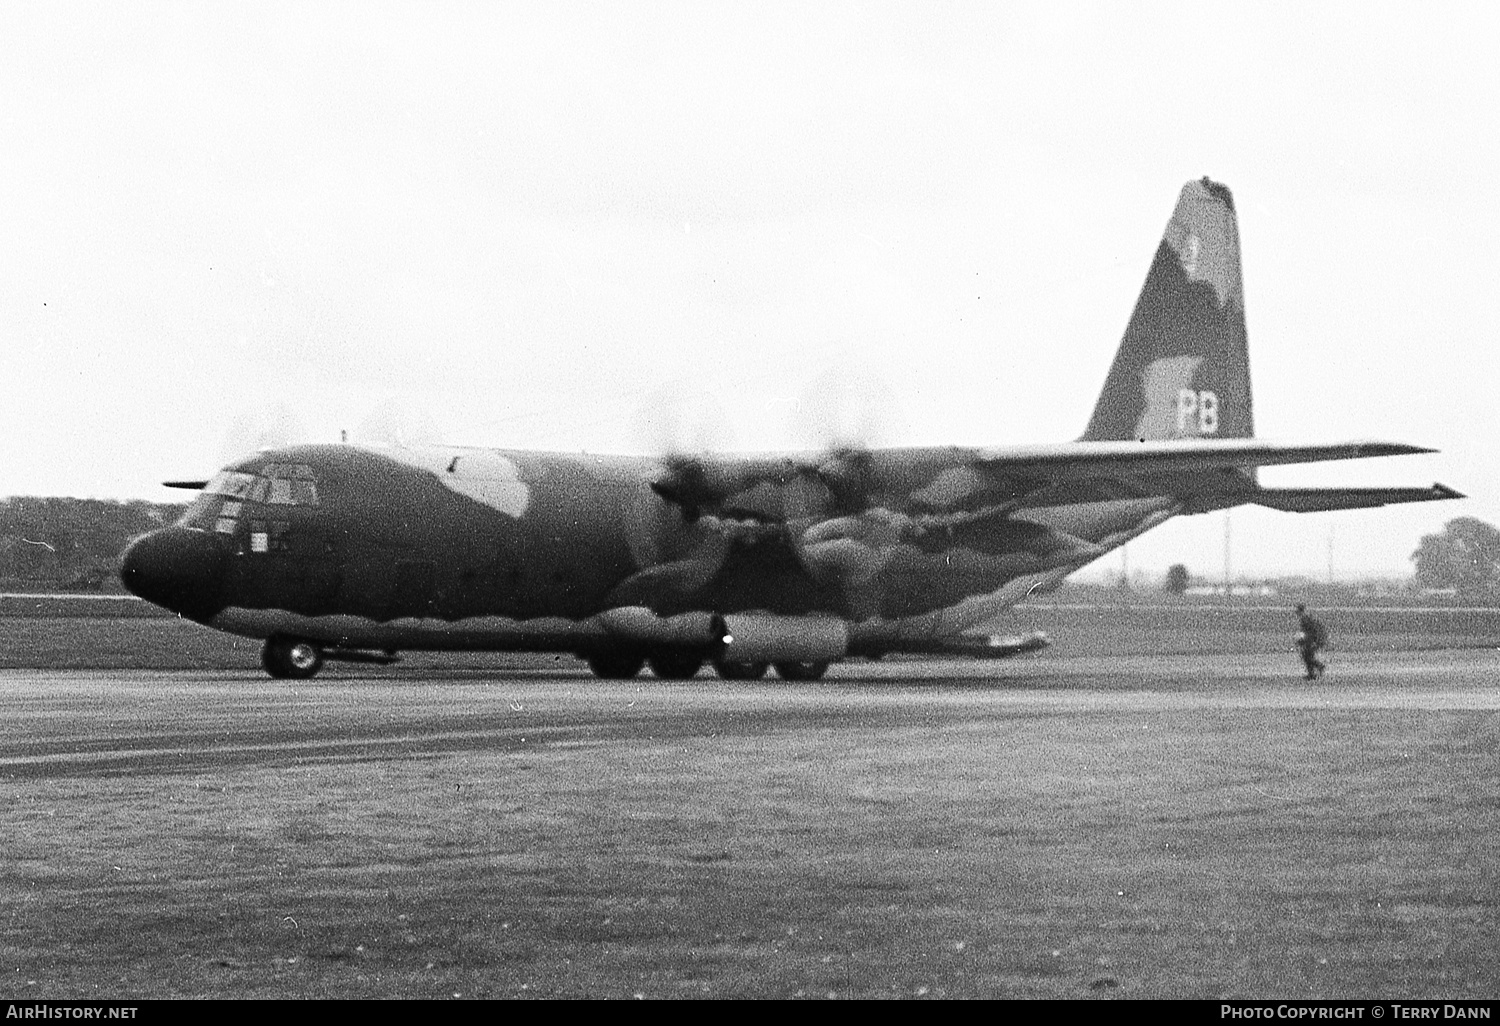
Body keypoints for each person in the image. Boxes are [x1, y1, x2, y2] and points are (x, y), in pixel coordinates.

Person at [1294, 604, 1328, 680]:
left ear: (1302, 612)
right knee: (1307, 656)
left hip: (1315, 640)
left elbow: (1313, 632)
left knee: (1307, 656)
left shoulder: (1306, 619)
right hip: (1314, 640)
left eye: (1299, 613)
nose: (1298, 615)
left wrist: (1312, 641)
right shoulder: (1306, 619)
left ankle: (1317, 668)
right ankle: (1313, 672)